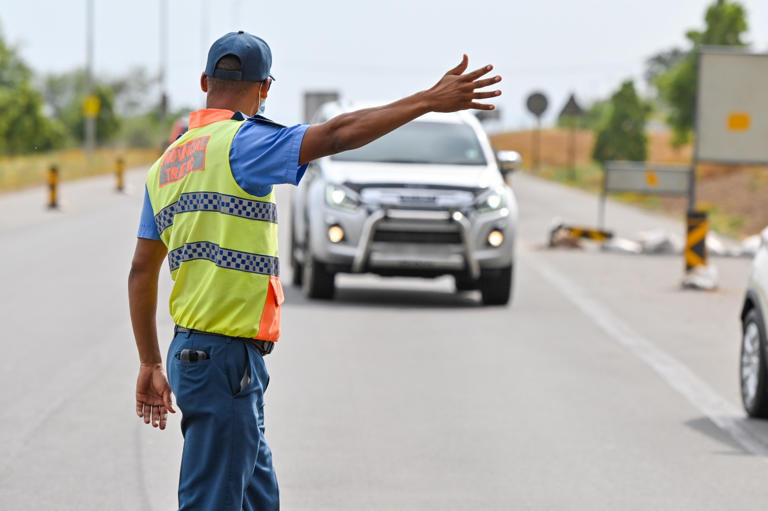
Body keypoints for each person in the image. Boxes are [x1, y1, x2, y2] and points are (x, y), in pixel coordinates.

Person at [128, 30, 502, 511]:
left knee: (260, 500)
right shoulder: (243, 143)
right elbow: (338, 134)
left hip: (198, 355)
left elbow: (142, 269)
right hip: (223, 361)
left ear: (204, 81)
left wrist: (149, 361)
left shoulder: (167, 165)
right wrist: (428, 99)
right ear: (265, 88)